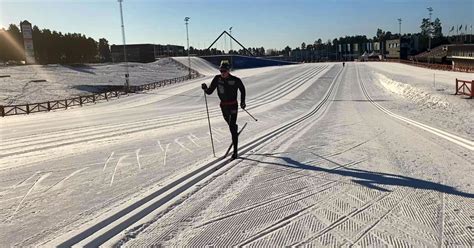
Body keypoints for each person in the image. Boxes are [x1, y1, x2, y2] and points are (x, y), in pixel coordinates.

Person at [202, 60, 246, 159]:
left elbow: (242, 90)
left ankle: (235, 152)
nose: (223, 73)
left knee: (231, 127)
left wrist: (243, 102)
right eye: (221, 70)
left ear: (228, 70)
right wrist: (205, 88)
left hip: (233, 105)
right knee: (231, 125)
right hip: (224, 106)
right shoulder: (217, 79)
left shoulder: (235, 80)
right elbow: (209, 92)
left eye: (224, 71)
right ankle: (234, 128)